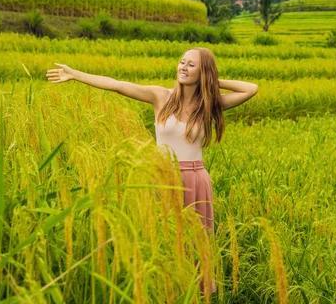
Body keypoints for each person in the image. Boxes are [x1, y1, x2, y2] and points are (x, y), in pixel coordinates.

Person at [45, 47, 258, 294]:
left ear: (203, 72)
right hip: (162, 177)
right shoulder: (161, 97)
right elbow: (117, 85)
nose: (183, 67)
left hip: (195, 179)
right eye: (182, 62)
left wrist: (211, 81)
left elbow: (250, 89)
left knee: (195, 244)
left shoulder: (209, 104)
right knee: (163, 241)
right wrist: (76, 74)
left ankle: (194, 295)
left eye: (191, 65)